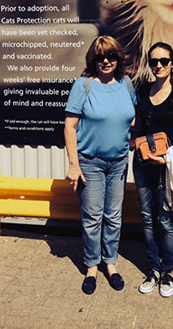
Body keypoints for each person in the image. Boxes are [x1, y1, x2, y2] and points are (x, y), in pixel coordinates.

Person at [64, 35, 136, 295]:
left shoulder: (126, 84)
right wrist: (74, 164)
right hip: (90, 163)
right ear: (93, 60)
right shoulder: (83, 85)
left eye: (111, 56)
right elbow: (70, 126)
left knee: (113, 217)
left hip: (118, 162)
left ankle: (110, 263)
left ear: (118, 58)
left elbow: (132, 118)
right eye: (100, 57)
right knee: (93, 218)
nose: (106, 61)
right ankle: (92, 267)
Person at [133, 42, 173, 298]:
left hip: (165, 167)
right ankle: (152, 269)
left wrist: (171, 157)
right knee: (148, 218)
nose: (158, 65)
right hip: (142, 165)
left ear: (172, 63)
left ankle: (167, 271)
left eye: (163, 61)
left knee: (167, 221)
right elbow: (135, 125)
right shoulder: (142, 91)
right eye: (154, 61)